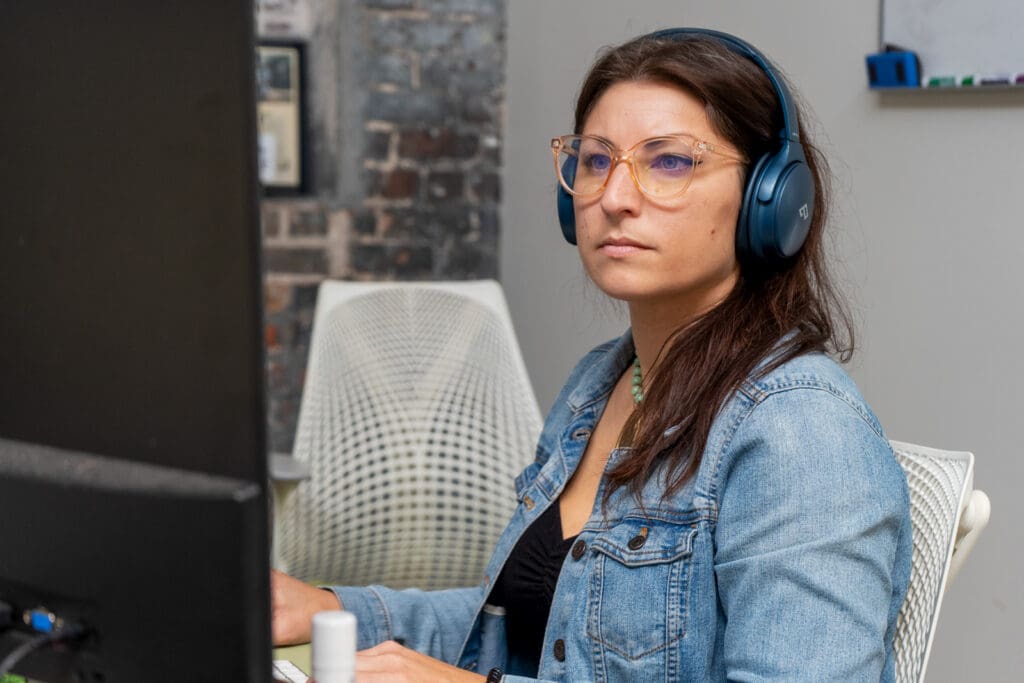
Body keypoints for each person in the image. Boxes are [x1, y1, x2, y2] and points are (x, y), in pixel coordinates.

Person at [271, 28, 912, 682]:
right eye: (596, 160)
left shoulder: (801, 433)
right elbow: (526, 622)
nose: (613, 197)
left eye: (669, 161)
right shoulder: (603, 381)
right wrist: (329, 608)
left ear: (768, 199)